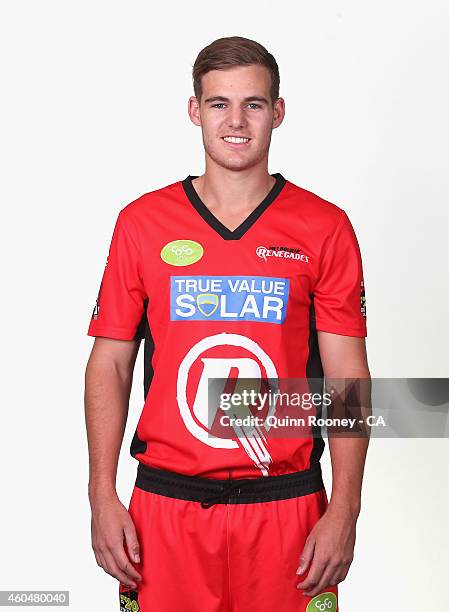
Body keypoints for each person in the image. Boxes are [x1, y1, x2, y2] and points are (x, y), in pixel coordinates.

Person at [84, 35, 370, 612]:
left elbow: (346, 376)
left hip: (287, 507)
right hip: (166, 506)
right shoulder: (142, 223)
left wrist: (344, 509)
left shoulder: (324, 226)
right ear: (195, 111)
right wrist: (100, 494)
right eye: (219, 104)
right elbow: (110, 365)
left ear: (278, 112)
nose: (236, 120)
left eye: (254, 104)